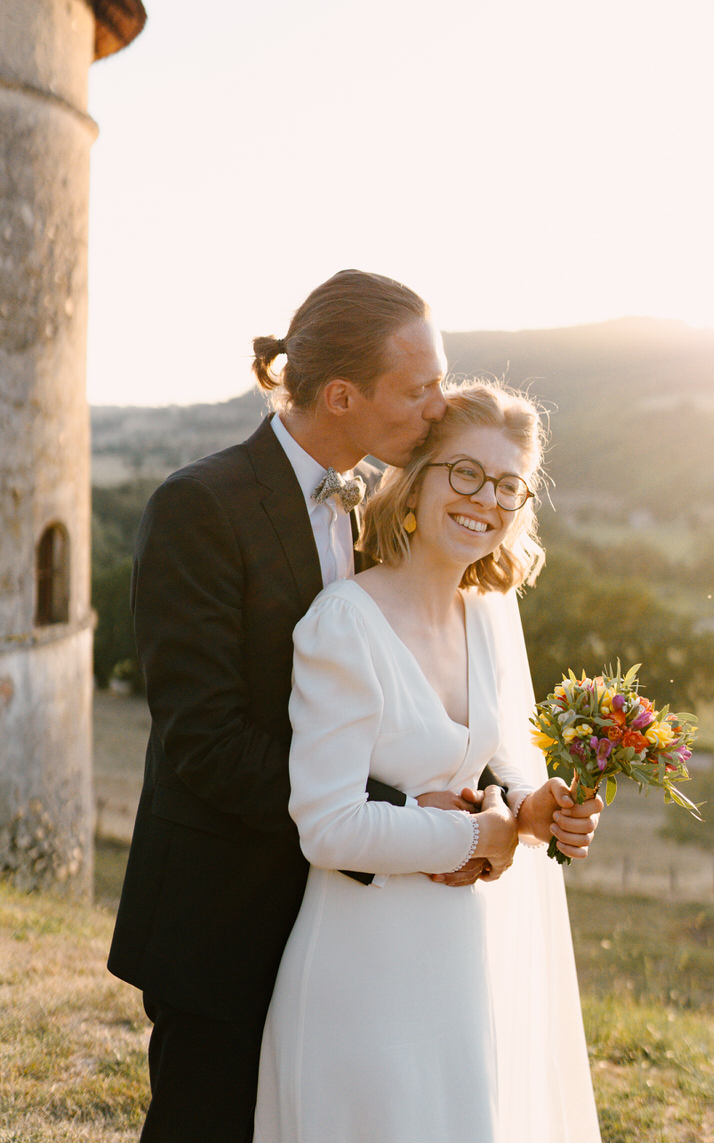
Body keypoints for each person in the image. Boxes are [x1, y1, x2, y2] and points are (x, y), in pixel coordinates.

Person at [107, 270, 597, 1142]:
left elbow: (415, 710)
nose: (439, 407)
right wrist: (418, 820)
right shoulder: (200, 505)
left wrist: (505, 800)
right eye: (419, 389)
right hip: (228, 906)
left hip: (369, 917)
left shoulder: (381, 516)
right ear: (342, 395)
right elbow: (205, 740)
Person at [254, 381, 603, 1143]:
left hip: (461, 962)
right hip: (362, 971)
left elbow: (499, 768)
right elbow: (328, 825)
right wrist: (476, 837)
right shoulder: (346, 622)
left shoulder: (488, 616)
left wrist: (535, 808)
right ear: (416, 481)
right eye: (466, 473)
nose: (486, 499)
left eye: (508, 485)